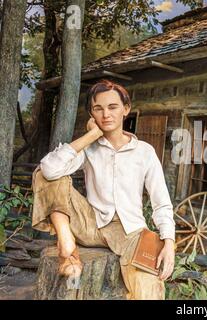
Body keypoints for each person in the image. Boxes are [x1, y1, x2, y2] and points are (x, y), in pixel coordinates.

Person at [31, 79, 175, 300]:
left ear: (126, 110)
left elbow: (161, 202)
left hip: (131, 233)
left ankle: (73, 264)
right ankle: (67, 246)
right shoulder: (89, 148)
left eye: (112, 107)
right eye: (98, 109)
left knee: (149, 292)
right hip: (91, 224)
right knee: (46, 175)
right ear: (92, 115)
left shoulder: (144, 152)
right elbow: (49, 170)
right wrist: (91, 136)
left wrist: (169, 242)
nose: (106, 114)